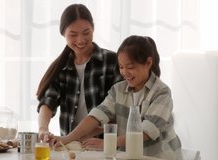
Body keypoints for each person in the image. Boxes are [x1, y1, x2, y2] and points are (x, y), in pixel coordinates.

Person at [51, 35, 182, 159]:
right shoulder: (118, 89)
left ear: (148, 63)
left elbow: (146, 132)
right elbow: (96, 115)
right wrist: (67, 138)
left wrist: (108, 143)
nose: (124, 72)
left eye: (130, 67)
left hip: (159, 156)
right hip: (128, 156)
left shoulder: (161, 92)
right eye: (121, 67)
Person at [36, 4, 122, 141]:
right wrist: (43, 129)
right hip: (69, 147)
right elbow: (48, 101)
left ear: (93, 29)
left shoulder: (113, 61)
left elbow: (120, 109)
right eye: (73, 35)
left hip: (104, 145)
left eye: (86, 33)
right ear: (63, 33)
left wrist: (93, 133)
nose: (81, 40)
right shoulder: (61, 67)